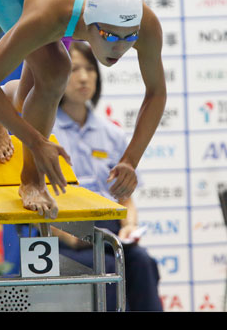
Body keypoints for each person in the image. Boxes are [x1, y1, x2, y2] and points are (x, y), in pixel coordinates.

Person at [0, 0, 166, 219]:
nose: (120, 48)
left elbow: (157, 92)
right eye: (111, 37)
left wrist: (129, 160)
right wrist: (38, 143)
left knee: (33, 94)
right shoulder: (49, 14)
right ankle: (31, 182)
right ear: (89, 23)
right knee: (54, 70)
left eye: (130, 38)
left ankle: (5, 106)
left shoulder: (146, 24)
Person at [50, 41, 162, 311]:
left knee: (143, 263)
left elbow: (125, 198)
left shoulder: (111, 134)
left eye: (90, 69)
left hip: (111, 233)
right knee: (109, 270)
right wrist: (69, 238)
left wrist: (129, 226)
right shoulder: (45, 134)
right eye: (75, 69)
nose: (84, 77)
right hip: (66, 234)